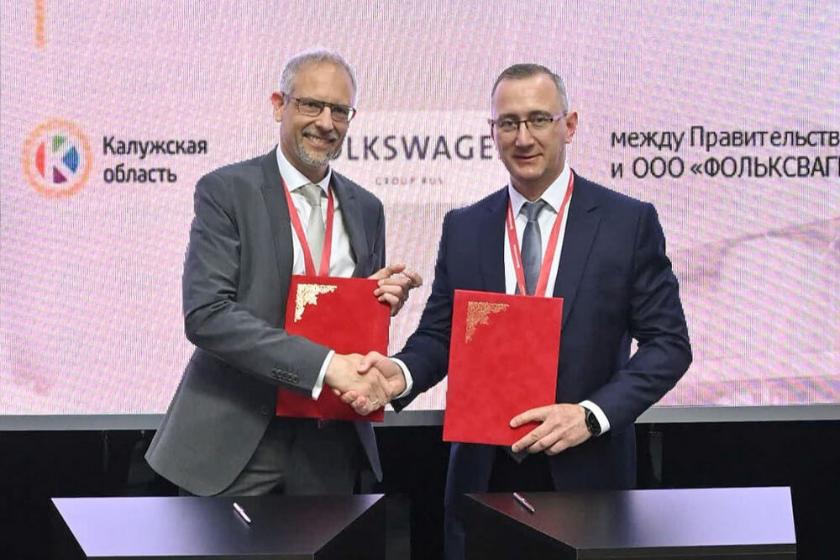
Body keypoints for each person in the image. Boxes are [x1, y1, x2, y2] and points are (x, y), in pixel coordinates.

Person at [345, 63, 692, 560]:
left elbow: (669, 345)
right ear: (492, 131)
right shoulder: (465, 227)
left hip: (586, 471)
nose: (523, 137)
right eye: (508, 123)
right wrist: (399, 375)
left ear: (569, 125)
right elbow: (441, 336)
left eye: (538, 120)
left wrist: (591, 415)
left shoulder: (627, 222)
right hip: (482, 479)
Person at [146, 49, 419, 498]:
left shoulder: (367, 208)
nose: (326, 123)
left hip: (330, 445)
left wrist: (377, 301)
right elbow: (207, 315)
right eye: (311, 105)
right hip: (236, 438)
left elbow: (342, 320)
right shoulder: (226, 191)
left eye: (340, 111)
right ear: (279, 105)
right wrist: (325, 366)